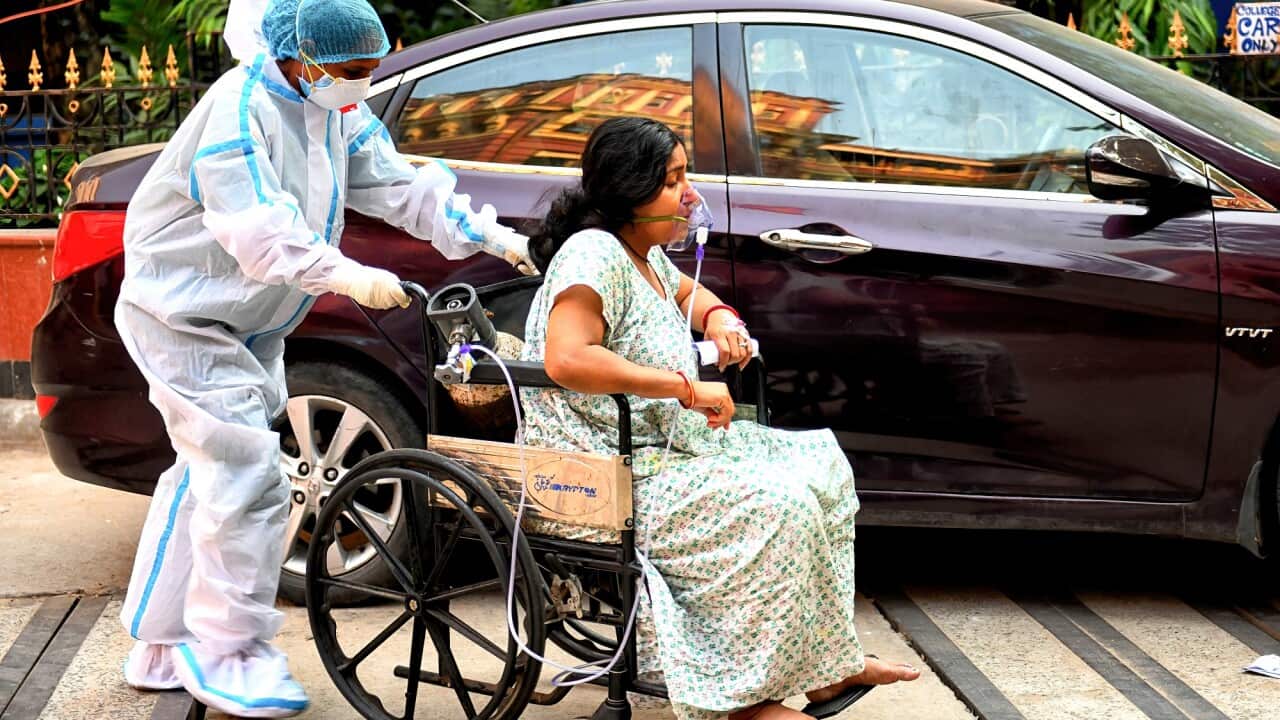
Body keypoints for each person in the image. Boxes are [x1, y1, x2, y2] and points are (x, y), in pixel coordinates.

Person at [114, 0, 534, 715]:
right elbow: (259, 228)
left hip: (251, 324)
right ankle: (228, 653)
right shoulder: (237, 111)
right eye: (349, 73)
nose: (360, 87)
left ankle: (158, 643)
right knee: (247, 474)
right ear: (300, 59)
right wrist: (345, 274)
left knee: (203, 479)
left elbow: (400, 185)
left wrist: (496, 238)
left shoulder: (332, 107)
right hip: (181, 318)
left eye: (369, 72)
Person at [519, 117, 920, 720]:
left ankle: (824, 663)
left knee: (822, 470)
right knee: (775, 505)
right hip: (610, 469)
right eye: (674, 179)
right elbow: (568, 358)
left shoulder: (643, 254)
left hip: (664, 449)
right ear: (631, 191)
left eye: (685, 175)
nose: (690, 193)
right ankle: (740, 698)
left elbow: (690, 295)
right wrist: (683, 386)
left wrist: (721, 319)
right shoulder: (594, 251)